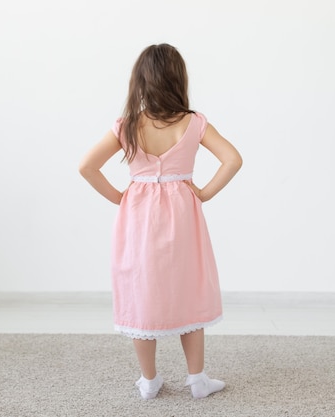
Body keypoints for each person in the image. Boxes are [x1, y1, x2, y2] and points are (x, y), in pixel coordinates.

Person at [79, 43, 242, 400]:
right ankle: (197, 379)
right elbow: (232, 158)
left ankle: (149, 382)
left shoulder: (127, 125)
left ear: (140, 81)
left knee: (141, 289)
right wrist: (205, 192)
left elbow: (86, 166)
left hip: (137, 215)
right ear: (178, 78)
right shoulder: (194, 122)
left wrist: (121, 197)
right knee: (190, 287)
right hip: (182, 213)